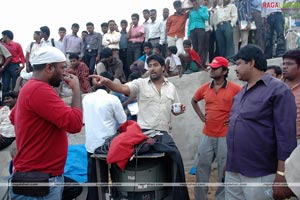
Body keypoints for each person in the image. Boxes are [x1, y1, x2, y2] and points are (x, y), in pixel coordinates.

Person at [90, 54, 189, 200]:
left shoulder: (171, 87)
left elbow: (175, 110)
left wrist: (179, 110)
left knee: (170, 171)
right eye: (150, 65)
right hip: (145, 136)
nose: (152, 68)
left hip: (164, 136)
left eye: (155, 65)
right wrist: (107, 82)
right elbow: (123, 88)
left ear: (163, 67)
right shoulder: (140, 83)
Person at [8, 46, 83, 199]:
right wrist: (76, 90)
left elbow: (13, 117)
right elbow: (75, 124)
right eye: (62, 67)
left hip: (36, 175)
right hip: (41, 179)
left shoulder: (29, 87)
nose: (64, 72)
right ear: (49, 68)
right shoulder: (40, 90)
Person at [225, 44, 297, 200]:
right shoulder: (240, 94)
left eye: (238, 64)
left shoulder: (279, 90)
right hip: (234, 170)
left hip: (260, 173)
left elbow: (286, 137)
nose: (235, 69)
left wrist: (281, 174)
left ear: (251, 63)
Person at [191, 56, 241, 200]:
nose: (211, 70)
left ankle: (221, 198)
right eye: (211, 67)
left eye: (215, 68)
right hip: (207, 134)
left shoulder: (235, 89)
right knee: (201, 168)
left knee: (223, 171)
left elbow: (243, 106)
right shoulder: (206, 88)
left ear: (225, 71)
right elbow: (194, 101)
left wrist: (233, 120)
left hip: (225, 136)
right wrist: (201, 116)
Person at [83, 71, 126, 200]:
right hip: (109, 147)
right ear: (109, 84)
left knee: (95, 180)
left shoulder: (86, 99)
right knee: (117, 176)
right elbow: (123, 121)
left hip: (91, 146)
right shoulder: (113, 99)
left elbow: (85, 121)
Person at [282, 50, 300, 145]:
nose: (284, 67)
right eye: (284, 63)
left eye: (289, 64)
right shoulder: (274, 87)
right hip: (278, 141)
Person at [187, 0, 209, 65]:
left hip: (200, 28)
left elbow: (206, 17)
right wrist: (188, 34)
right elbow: (190, 23)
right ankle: (196, 63)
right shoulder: (191, 11)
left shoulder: (204, 8)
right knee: (195, 47)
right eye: (192, 1)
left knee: (201, 46)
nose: (194, 3)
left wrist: (198, 9)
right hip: (192, 30)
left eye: (195, 1)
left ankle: (202, 62)